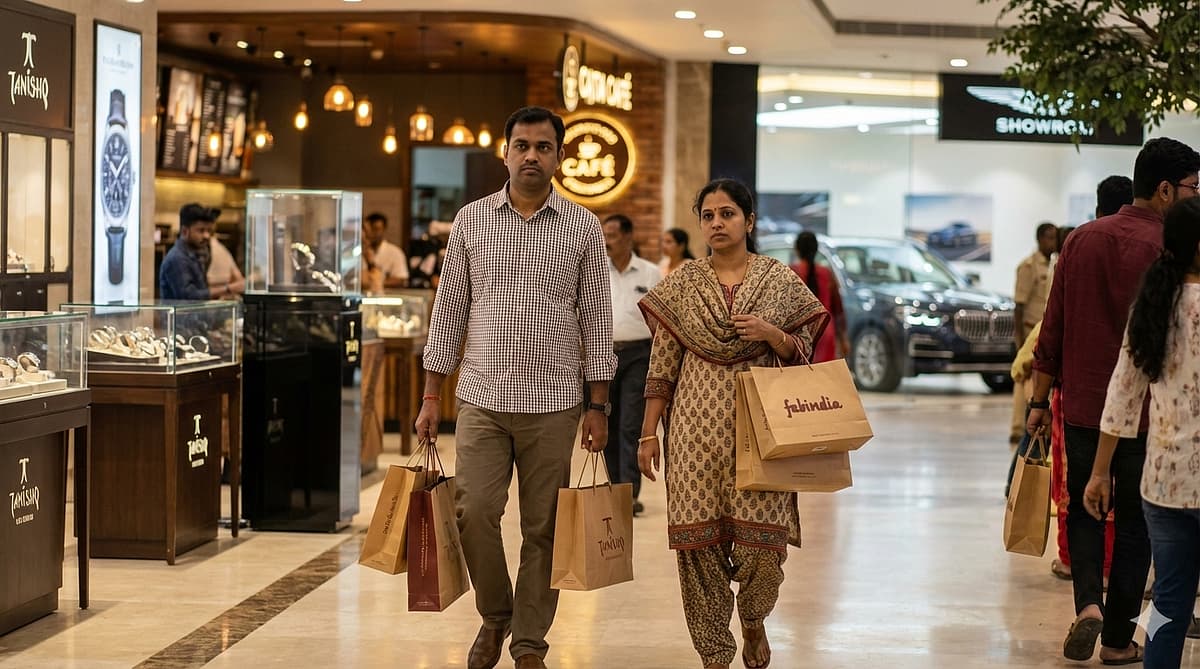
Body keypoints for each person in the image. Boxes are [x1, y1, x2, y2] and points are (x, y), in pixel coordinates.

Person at [415, 106, 615, 669]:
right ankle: (496, 613)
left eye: (543, 147)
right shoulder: (471, 220)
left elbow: (596, 320)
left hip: (555, 404)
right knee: (472, 511)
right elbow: (449, 311)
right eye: (522, 145)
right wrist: (432, 396)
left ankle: (529, 642)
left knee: (543, 528)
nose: (532, 155)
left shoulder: (582, 227)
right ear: (505, 153)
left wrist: (597, 406)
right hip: (481, 399)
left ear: (559, 157)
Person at [637, 178, 828, 669]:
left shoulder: (777, 279)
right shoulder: (682, 283)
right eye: (708, 215)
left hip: (761, 432)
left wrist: (773, 334)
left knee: (763, 548)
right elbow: (662, 364)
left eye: (727, 214)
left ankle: (753, 617)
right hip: (693, 434)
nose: (717, 223)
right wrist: (647, 433)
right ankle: (714, 655)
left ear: (749, 221)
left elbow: (805, 353)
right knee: (697, 547)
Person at [1028, 136, 1200, 664]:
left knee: (1082, 511)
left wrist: (1038, 400)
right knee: (1135, 529)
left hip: (1081, 406)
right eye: (1193, 188)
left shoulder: (1078, 241)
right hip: (1152, 425)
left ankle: (1088, 606)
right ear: (1167, 191)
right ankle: (1121, 638)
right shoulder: (1167, 254)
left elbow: (1050, 327)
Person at [1085, 197, 1200, 669]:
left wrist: (1098, 473)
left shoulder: (1152, 307)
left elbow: (1122, 397)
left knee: (1168, 604)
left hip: (1163, 484)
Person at [602, 213, 662, 516]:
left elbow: (662, 319)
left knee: (629, 424)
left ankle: (629, 492)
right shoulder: (597, 270)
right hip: (603, 356)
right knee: (607, 424)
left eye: (611, 234)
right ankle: (614, 488)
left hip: (639, 355)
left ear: (627, 236)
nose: (607, 240)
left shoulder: (651, 273)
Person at [1008, 222, 1059, 444]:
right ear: (1039, 239)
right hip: (1031, 330)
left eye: (1055, 237)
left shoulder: (1056, 263)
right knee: (1023, 380)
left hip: (1045, 331)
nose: (1053, 242)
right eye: (1049, 237)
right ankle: (1018, 428)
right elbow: (1019, 306)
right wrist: (1020, 341)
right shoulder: (1028, 267)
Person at [160, 203, 242, 300]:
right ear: (184, 231)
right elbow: (189, 296)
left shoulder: (199, 253)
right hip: (181, 315)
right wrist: (229, 288)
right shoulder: (177, 258)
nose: (207, 236)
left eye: (209, 231)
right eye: (201, 230)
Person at [790, 231, 848, 362]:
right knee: (824, 379)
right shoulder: (827, 274)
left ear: (797, 249)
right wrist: (843, 338)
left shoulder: (790, 273)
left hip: (799, 335)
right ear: (816, 249)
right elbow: (838, 310)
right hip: (825, 333)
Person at [361, 211, 409, 293]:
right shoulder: (357, 252)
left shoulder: (395, 252)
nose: (372, 234)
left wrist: (377, 282)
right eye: (368, 230)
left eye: (376, 229)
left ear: (384, 229)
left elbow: (401, 279)